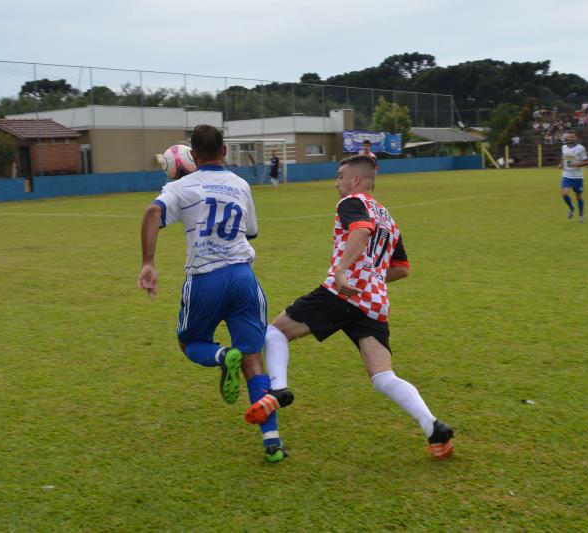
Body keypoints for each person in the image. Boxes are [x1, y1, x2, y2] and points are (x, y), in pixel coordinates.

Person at [246, 154, 455, 460]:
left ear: (356, 180)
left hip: (340, 293)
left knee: (274, 333)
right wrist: (370, 276)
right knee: (383, 377)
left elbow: (360, 231)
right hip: (374, 302)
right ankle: (434, 427)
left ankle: (278, 390)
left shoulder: (351, 202)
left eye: (340, 176)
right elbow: (402, 268)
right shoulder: (388, 217)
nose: (337, 182)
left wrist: (343, 270)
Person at [137, 125, 291, 463]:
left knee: (190, 344)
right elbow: (252, 232)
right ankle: (272, 440)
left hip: (205, 279)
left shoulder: (180, 186)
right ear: (224, 151)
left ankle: (222, 357)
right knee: (253, 355)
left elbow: (152, 213)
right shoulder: (241, 184)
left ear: (192, 155)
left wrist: (148, 263)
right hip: (243, 278)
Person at [559, 130, 588, 222]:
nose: (571, 138)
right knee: (564, 194)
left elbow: (587, 161)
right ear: (567, 137)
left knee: (578, 197)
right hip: (566, 175)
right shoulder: (564, 147)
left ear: (575, 138)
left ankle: (581, 216)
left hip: (577, 177)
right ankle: (571, 207)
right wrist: (561, 165)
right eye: (569, 136)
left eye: (572, 137)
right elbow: (563, 157)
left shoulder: (581, 148)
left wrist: (577, 164)